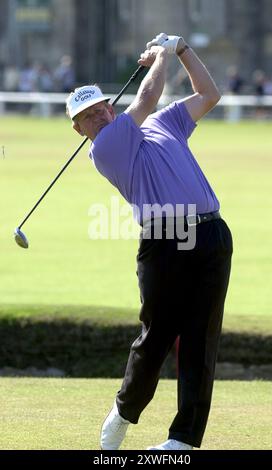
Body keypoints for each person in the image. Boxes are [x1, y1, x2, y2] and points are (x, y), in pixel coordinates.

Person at [66, 33, 233, 451]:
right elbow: (148, 94)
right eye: (88, 115)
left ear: (109, 104)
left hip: (212, 233)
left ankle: (183, 439)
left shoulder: (163, 122)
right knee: (157, 336)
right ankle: (124, 411)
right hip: (164, 240)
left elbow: (208, 94)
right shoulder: (106, 147)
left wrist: (184, 51)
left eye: (102, 106)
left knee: (201, 338)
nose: (99, 115)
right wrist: (162, 54)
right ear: (79, 129)